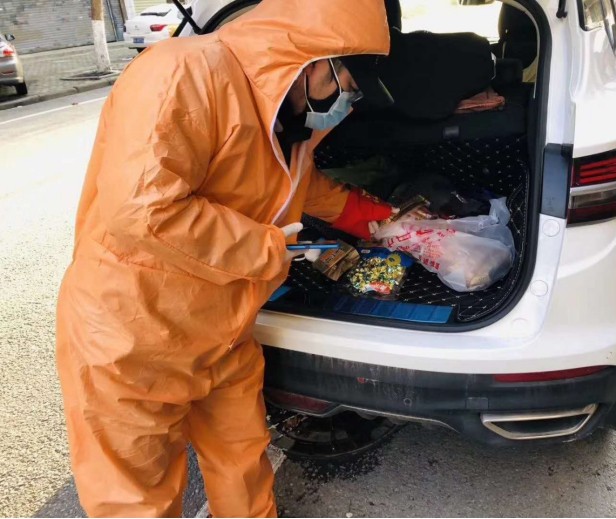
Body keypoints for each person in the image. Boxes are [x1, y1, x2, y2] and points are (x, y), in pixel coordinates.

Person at [55, 0, 394, 516]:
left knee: (242, 461)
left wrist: (385, 221)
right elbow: (144, 211)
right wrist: (267, 249)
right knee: (136, 495)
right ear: (315, 58)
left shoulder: (285, 119)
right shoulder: (183, 72)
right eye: (348, 81)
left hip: (225, 329)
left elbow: (300, 189)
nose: (349, 98)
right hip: (133, 336)